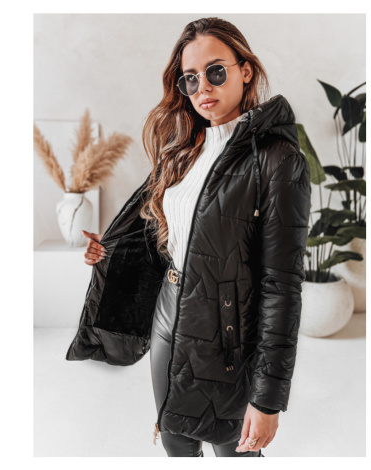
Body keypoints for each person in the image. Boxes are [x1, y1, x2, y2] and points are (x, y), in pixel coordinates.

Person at [70, 16, 311, 457]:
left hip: (229, 335)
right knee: (175, 440)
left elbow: (282, 285)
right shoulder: (183, 150)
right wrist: (109, 250)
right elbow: (170, 234)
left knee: (235, 451)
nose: (203, 87)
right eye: (191, 78)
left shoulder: (278, 160)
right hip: (168, 313)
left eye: (216, 71)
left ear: (245, 70)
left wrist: (267, 399)